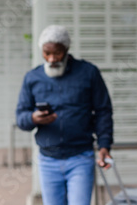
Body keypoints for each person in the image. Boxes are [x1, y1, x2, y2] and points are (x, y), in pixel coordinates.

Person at [16, 25, 113, 205]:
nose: (52, 59)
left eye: (57, 53)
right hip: (47, 160)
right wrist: (33, 119)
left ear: (67, 50)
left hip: (81, 158)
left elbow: (103, 110)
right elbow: (21, 116)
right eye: (47, 53)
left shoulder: (88, 73)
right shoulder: (32, 77)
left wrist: (104, 144)